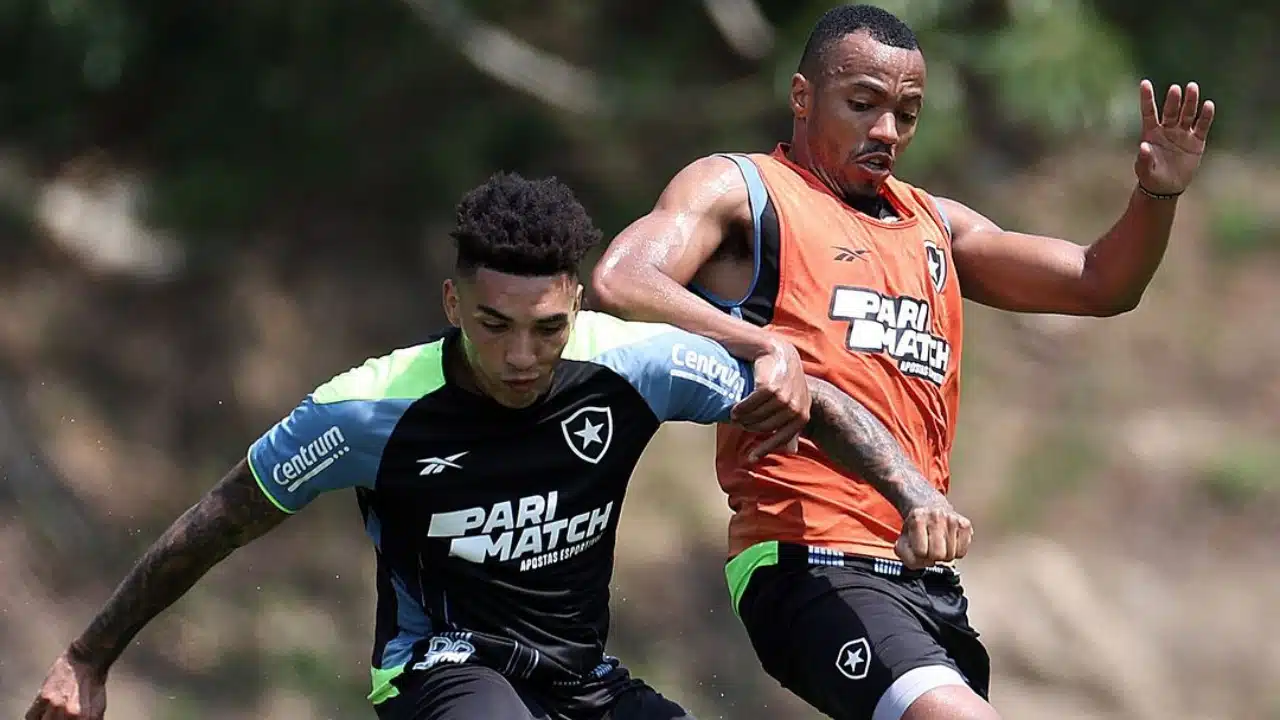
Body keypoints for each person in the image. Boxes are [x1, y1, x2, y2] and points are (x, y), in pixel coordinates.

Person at [27, 170, 967, 720]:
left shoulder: (638, 364)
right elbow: (215, 525)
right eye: (493, 325)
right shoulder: (364, 410)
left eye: (547, 328)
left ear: (578, 304)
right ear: (452, 305)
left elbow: (812, 396)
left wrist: (911, 494)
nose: (521, 356)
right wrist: (89, 655)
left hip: (582, 679)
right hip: (442, 671)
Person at [590, 4, 1216, 720]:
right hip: (806, 558)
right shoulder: (746, 190)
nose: (887, 132)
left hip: (924, 576)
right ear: (802, 97)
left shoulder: (936, 224)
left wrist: (1157, 194)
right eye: (862, 105)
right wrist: (764, 343)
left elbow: (1100, 283)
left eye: (907, 113)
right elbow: (624, 278)